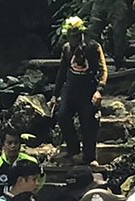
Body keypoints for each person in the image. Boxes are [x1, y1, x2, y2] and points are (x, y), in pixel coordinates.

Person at [51, 16, 108, 166]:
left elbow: (103, 70)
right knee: (63, 116)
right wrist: (55, 95)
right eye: (70, 36)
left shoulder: (93, 47)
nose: (73, 38)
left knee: (88, 122)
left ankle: (89, 156)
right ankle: (73, 149)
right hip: (70, 89)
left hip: (88, 89)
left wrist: (99, 90)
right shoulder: (66, 48)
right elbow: (62, 72)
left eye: (75, 35)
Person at [88, 0, 135, 69]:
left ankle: (119, 63)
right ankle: (93, 63)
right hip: (99, 3)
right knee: (93, 31)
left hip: (117, 3)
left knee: (119, 33)